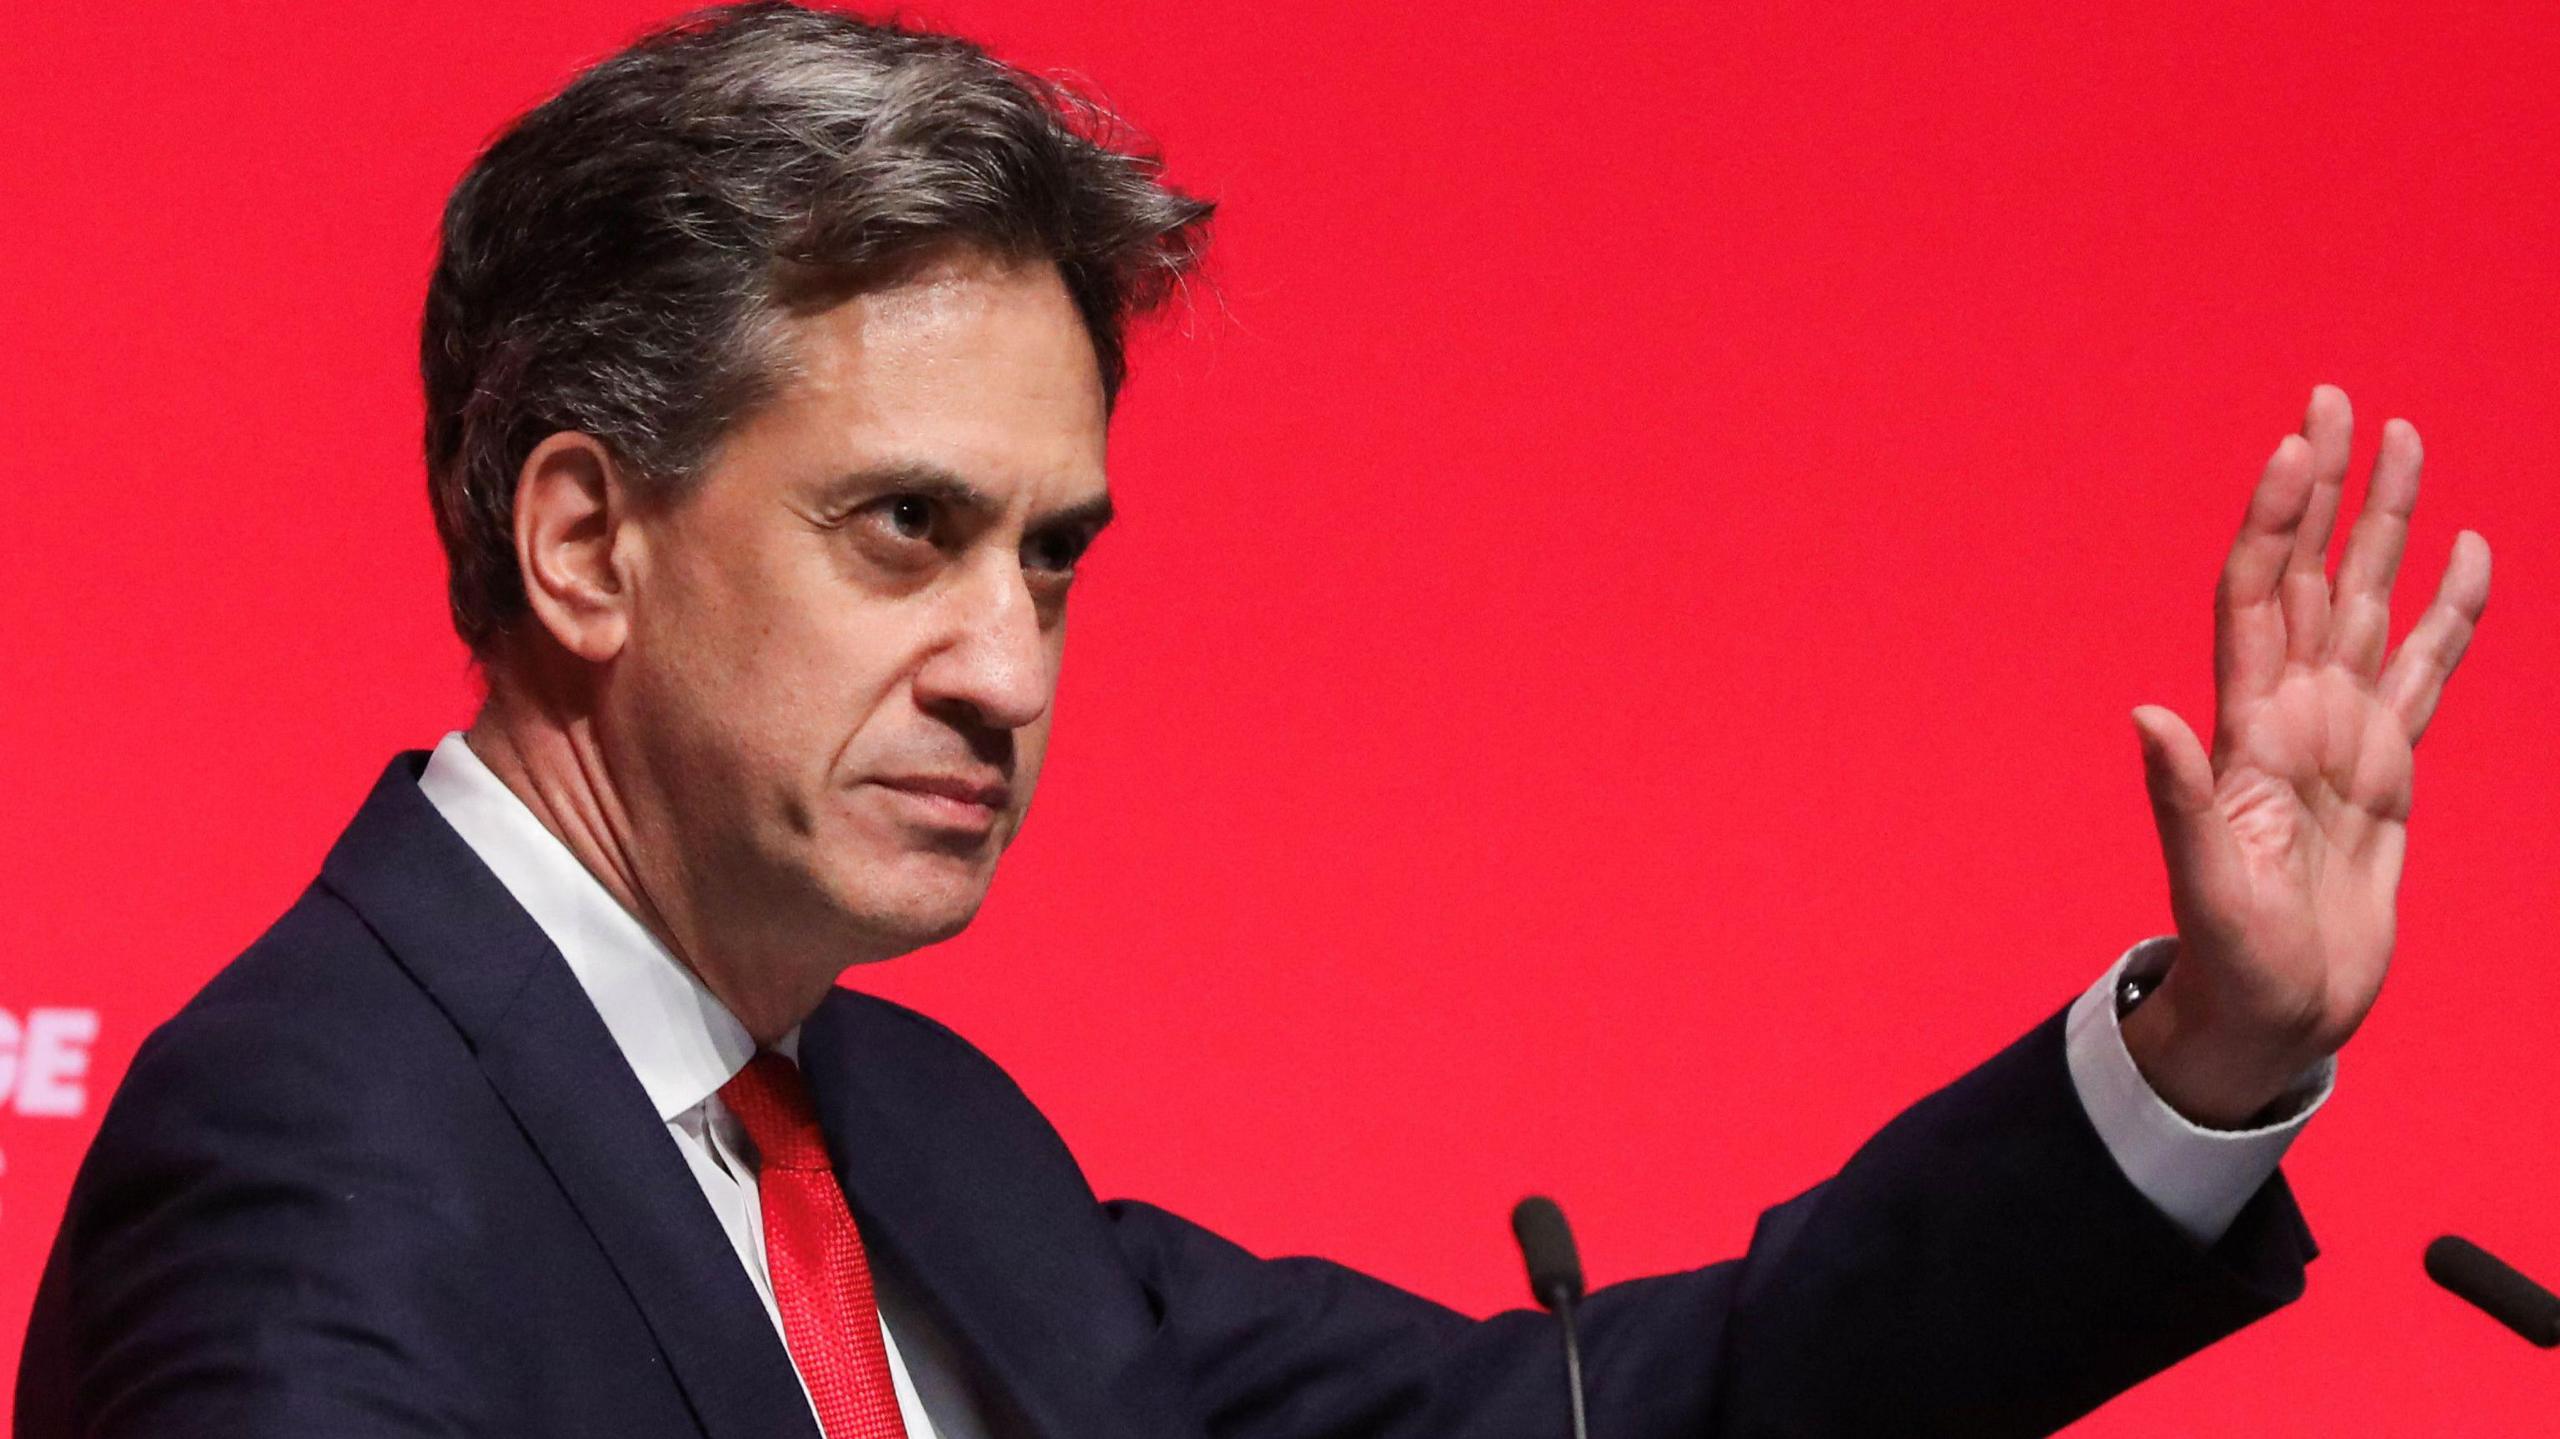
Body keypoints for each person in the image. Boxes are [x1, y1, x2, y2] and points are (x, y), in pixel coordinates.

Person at [14, 3, 2494, 1436]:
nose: (1007, 664)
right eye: (904, 531)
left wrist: (2204, 1051)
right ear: (583, 546)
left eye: (1052, 556)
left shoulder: (901, 1131)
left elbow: (1596, 1424)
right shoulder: (320, 1185)